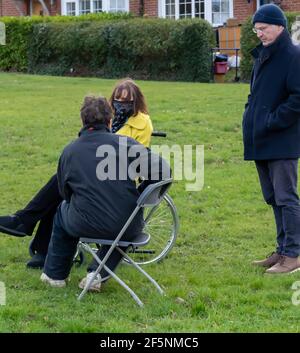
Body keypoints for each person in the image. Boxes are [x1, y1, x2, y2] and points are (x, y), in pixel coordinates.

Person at [0, 78, 153, 269]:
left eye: (127, 101)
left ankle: (26, 224)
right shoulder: (107, 119)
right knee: (63, 184)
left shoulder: (142, 124)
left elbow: (137, 159)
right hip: (95, 171)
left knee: (62, 186)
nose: (121, 105)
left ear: (136, 102)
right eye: (118, 100)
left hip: (117, 175)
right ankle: (37, 242)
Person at [40, 95, 170, 288]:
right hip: (127, 225)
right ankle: (96, 275)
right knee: (123, 222)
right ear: (110, 120)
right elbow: (163, 172)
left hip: (82, 223)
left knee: (61, 211)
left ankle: (55, 276)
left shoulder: (70, 151)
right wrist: (141, 195)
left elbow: (64, 192)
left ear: (83, 120)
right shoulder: (126, 145)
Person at [243, 4, 300, 274]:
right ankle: (281, 250)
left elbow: (297, 99)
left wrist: (271, 121)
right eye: (257, 30)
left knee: (286, 197)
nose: (260, 34)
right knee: (272, 197)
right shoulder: (262, 55)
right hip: (260, 139)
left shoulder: (293, 56)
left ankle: (294, 254)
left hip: (282, 140)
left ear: (279, 26)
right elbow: (255, 94)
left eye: (263, 29)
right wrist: (250, 116)